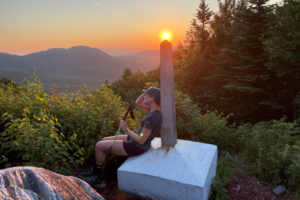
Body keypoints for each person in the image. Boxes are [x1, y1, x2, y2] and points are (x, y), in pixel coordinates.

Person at [79, 87, 162, 188]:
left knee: (99, 146)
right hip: (136, 138)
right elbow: (138, 102)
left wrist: (126, 129)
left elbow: (141, 139)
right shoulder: (153, 110)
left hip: (137, 146)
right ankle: (99, 170)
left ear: (152, 98)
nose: (144, 96)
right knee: (104, 140)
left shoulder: (151, 117)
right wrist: (147, 92)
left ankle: (99, 178)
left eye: (147, 95)